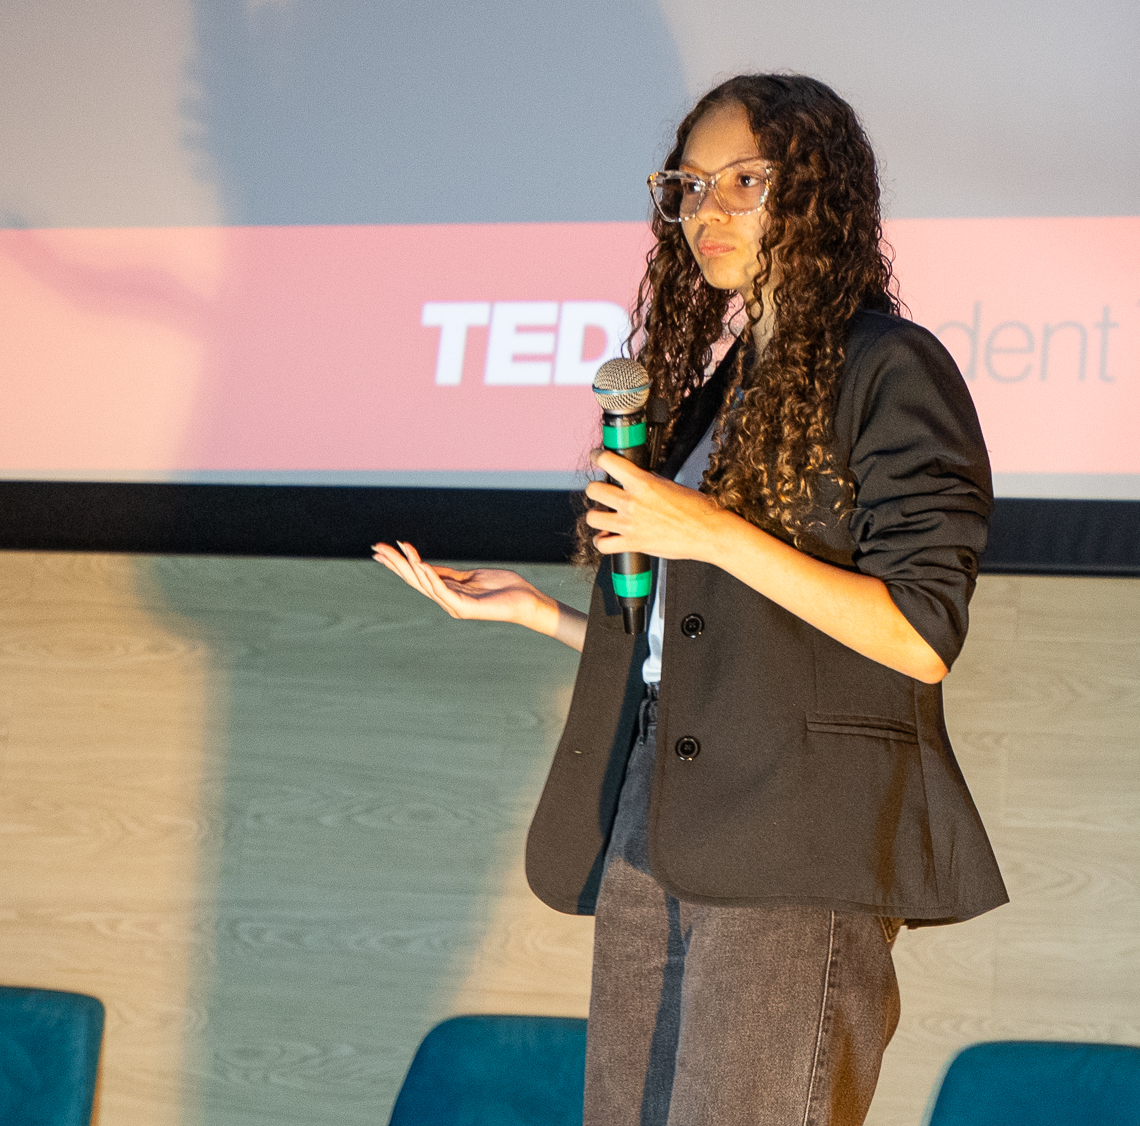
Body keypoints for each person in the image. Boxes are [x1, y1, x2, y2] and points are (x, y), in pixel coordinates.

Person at [375, 72, 1005, 1126]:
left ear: (817, 192)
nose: (708, 208)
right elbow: (721, 637)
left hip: (798, 829)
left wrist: (706, 529)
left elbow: (919, 634)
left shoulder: (890, 367)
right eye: (689, 185)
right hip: (658, 808)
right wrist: (540, 614)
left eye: (743, 180)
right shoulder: (725, 388)